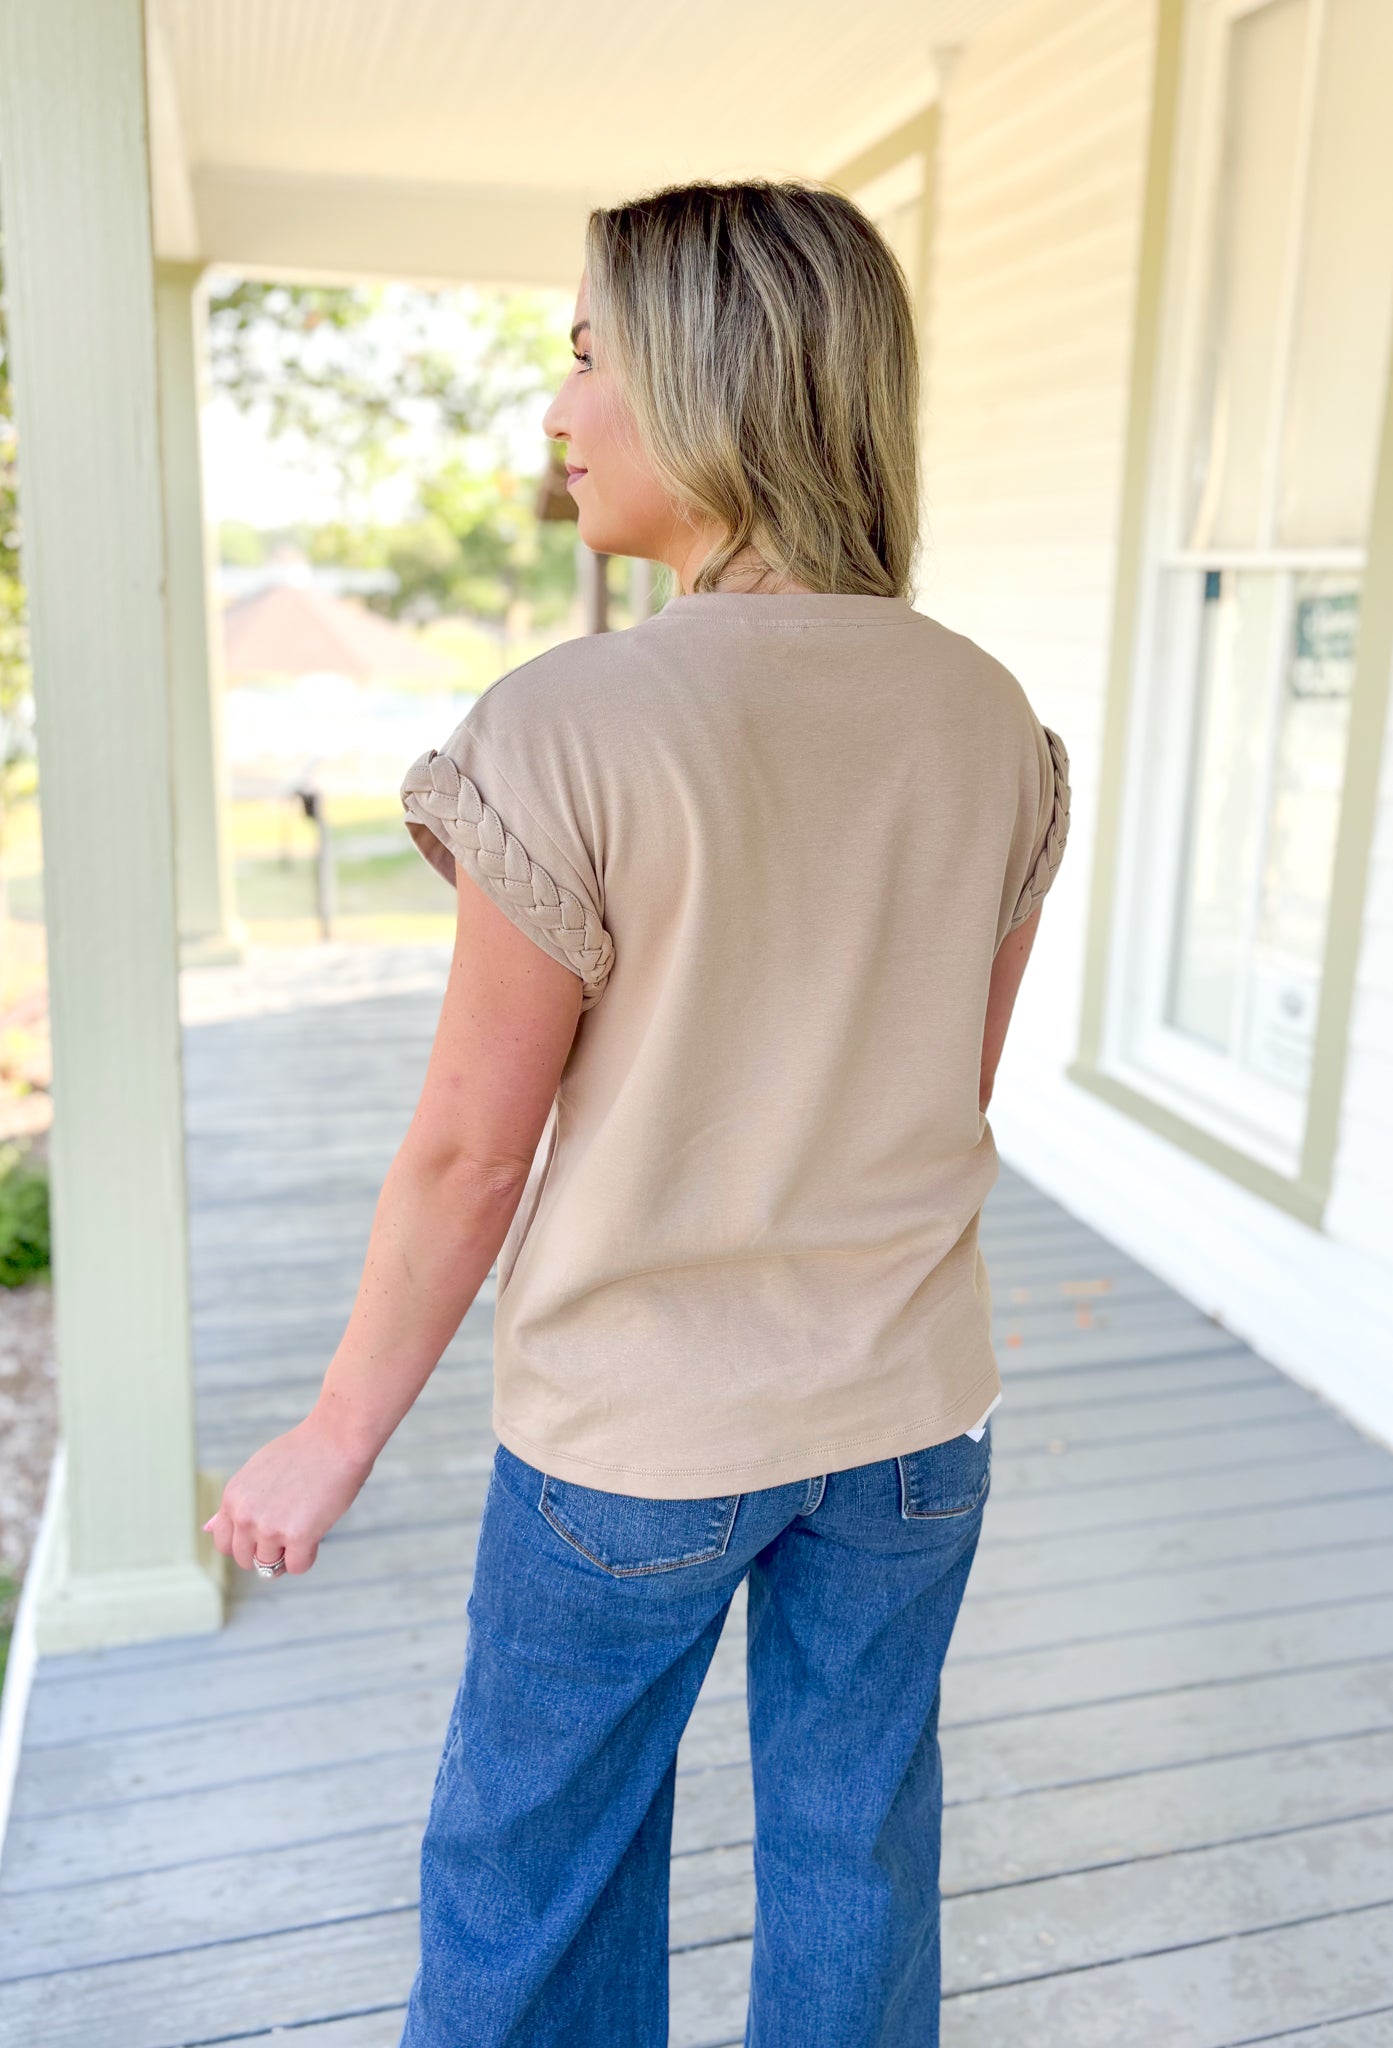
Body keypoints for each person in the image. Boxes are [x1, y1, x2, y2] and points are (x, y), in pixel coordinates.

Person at [204, 178, 1070, 2048]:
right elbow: (941, 1094)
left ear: (714, 384)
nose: (556, 406)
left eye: (590, 354)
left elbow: (467, 1150)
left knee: (536, 1874)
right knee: (855, 1851)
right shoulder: (990, 719)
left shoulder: (569, 724)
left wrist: (333, 1437)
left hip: (635, 1440)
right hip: (914, 1419)